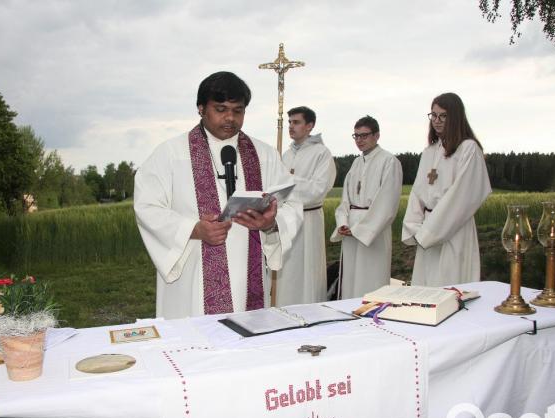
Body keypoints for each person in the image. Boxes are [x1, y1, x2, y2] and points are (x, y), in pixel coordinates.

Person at [134, 71, 302, 319]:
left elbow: (292, 202)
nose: (230, 118)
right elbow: (147, 207)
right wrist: (194, 229)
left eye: (238, 110)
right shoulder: (170, 154)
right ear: (201, 108)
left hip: (249, 272)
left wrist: (271, 224)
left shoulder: (263, 154)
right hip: (194, 275)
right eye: (221, 109)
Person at [401, 92, 492, 286]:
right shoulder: (429, 152)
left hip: (453, 231)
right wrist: (415, 227)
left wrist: (429, 232)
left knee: (450, 287)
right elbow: (417, 193)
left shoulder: (468, 149)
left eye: (443, 115)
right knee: (426, 289)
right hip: (427, 229)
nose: (437, 120)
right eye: (433, 115)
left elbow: (462, 197)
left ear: (455, 117)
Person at [330, 115, 402, 299]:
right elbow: (345, 200)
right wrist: (343, 223)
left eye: (364, 135)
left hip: (372, 232)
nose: (359, 140)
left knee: (370, 280)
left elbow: (387, 203)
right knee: (350, 280)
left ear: (376, 135)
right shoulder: (356, 163)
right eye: (356, 136)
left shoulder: (389, 161)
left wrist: (360, 230)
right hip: (350, 230)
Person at [276, 106, 337, 306]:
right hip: (286, 219)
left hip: (308, 219)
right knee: (288, 270)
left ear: (309, 126)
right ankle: (285, 307)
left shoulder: (322, 153)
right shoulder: (285, 155)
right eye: (289, 122)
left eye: (296, 122)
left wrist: (288, 182)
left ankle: (309, 309)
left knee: (307, 271)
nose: (291, 127)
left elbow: (318, 189)